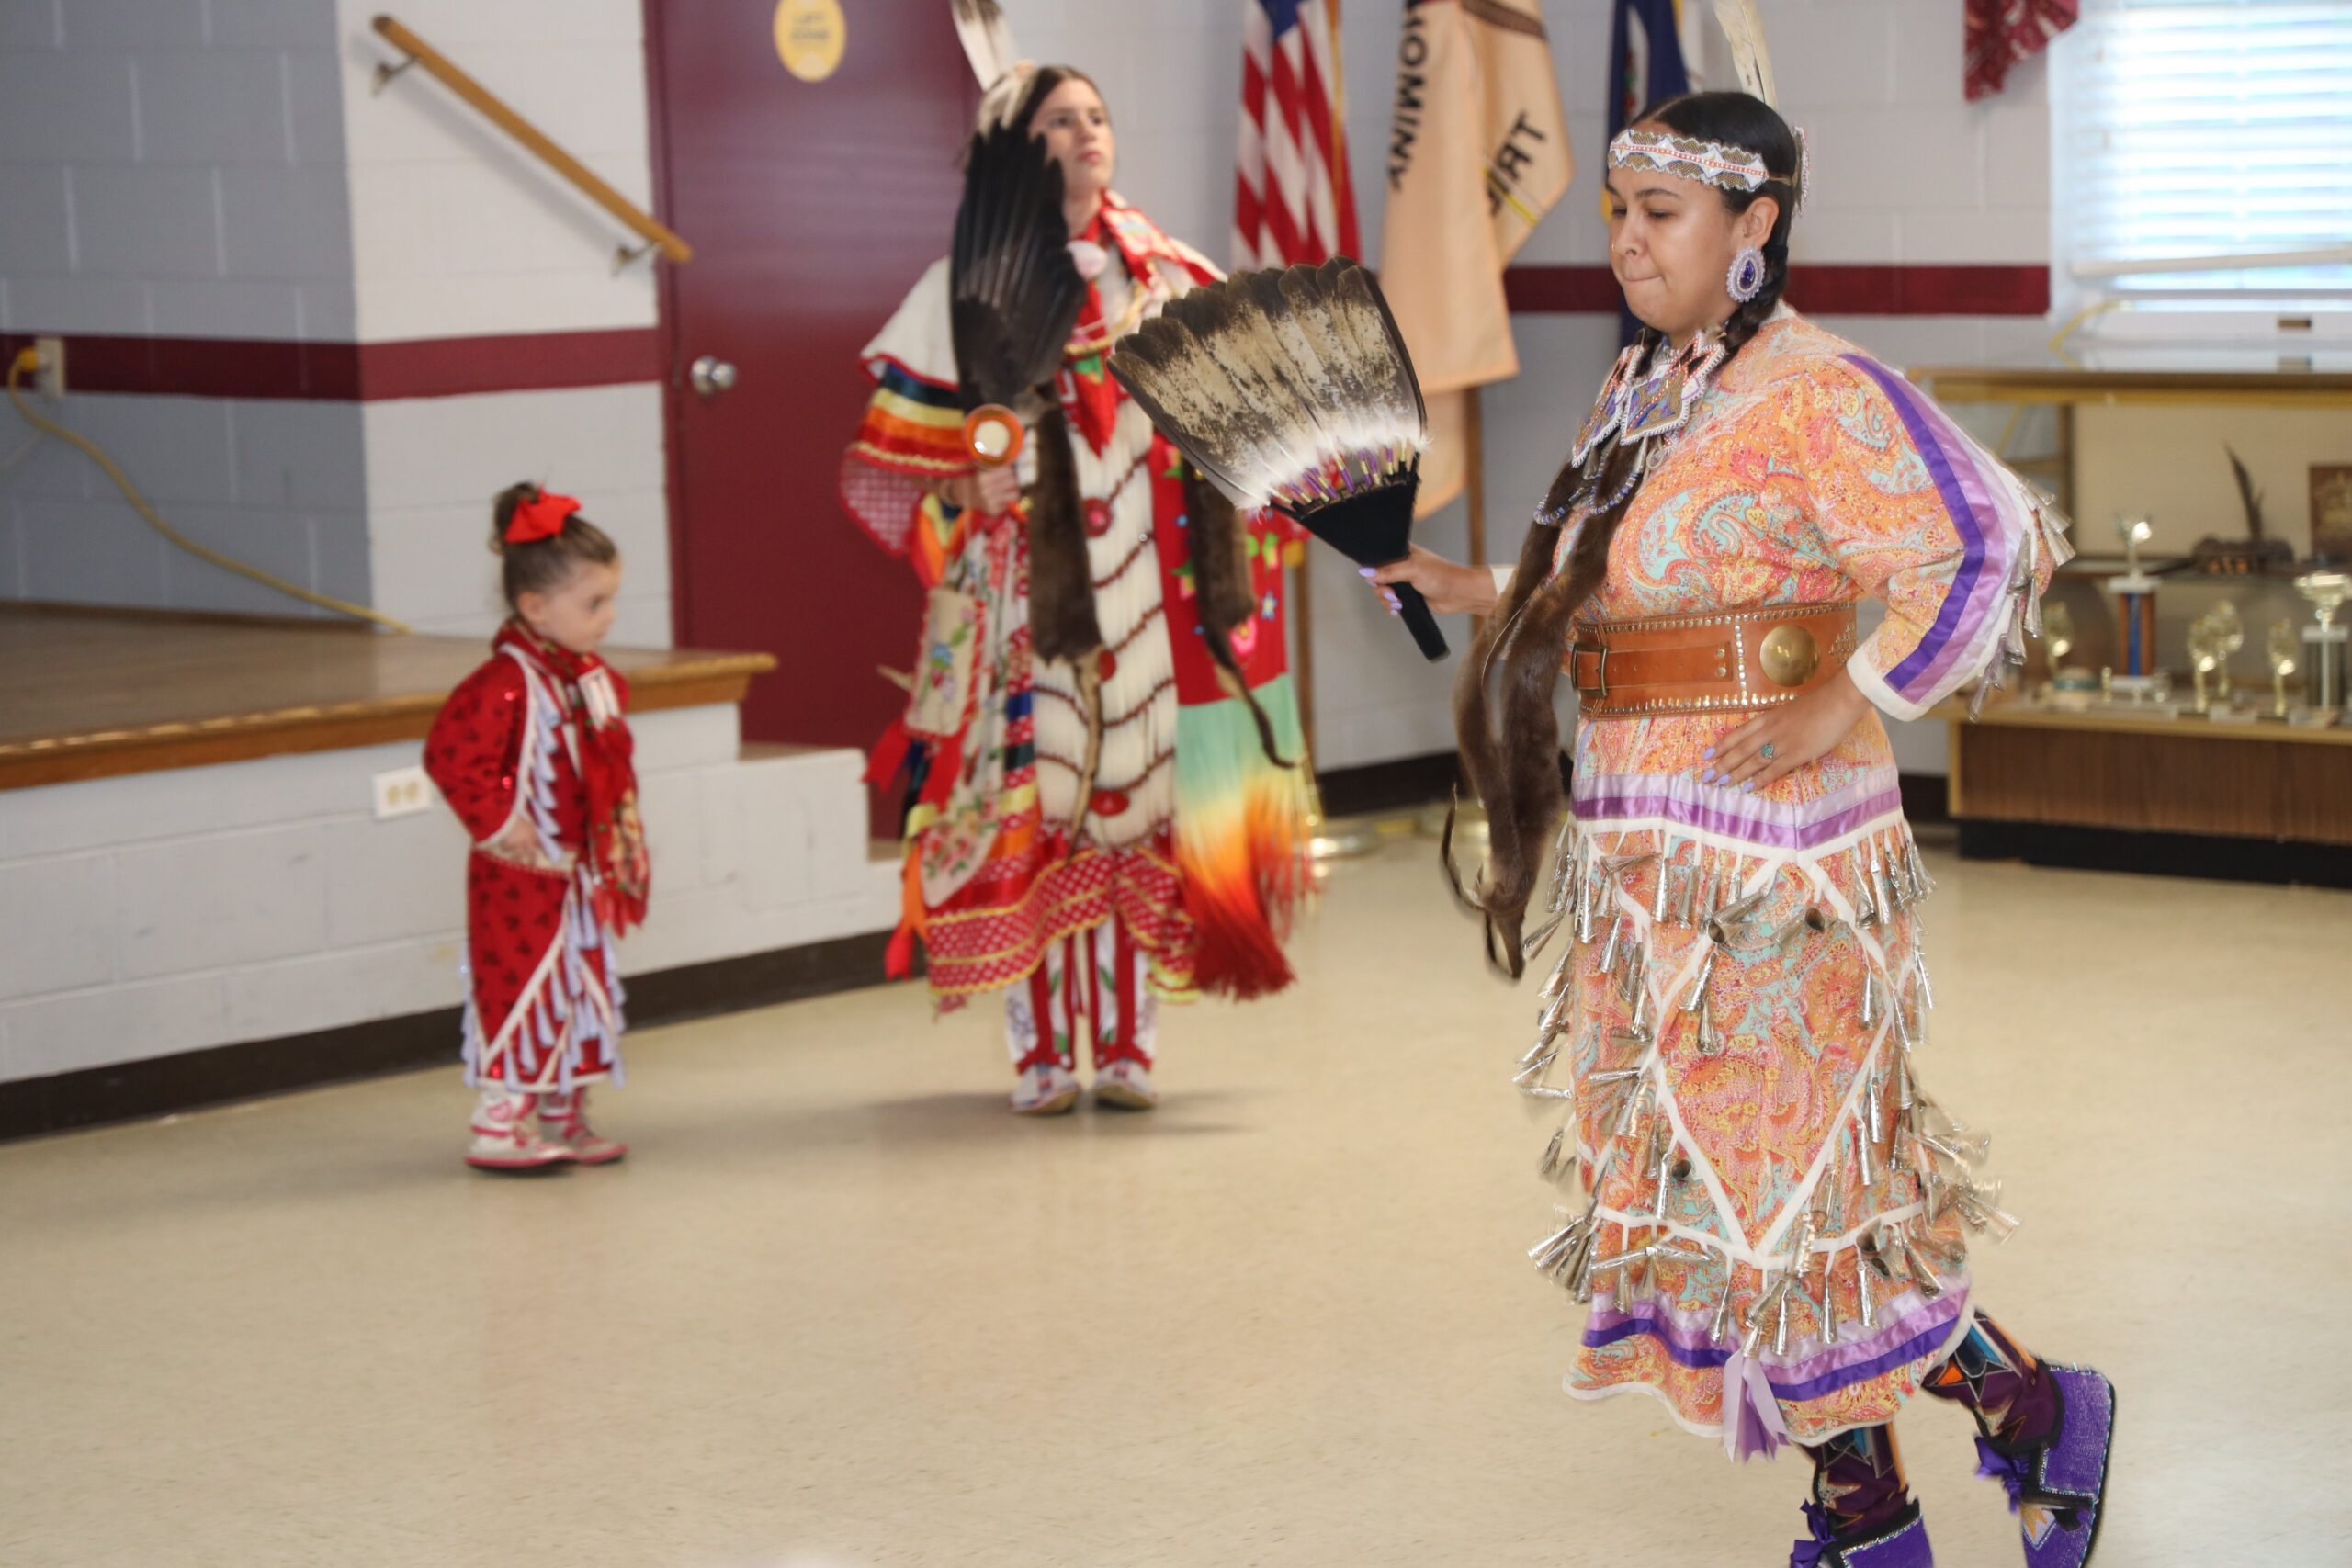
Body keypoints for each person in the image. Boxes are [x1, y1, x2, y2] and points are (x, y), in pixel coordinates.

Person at [1378, 95, 2114, 1567]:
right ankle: (2028, 1416)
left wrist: (1854, 694)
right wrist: (1480, 590)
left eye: (1661, 212)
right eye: (1617, 210)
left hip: (1780, 867)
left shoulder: (1820, 392)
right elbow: (1620, 583)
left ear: (1755, 225)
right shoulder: (1652, 387)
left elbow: (1989, 541)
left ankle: (1877, 1518)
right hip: (1650, 849)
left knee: (1791, 1198)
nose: (1626, 241)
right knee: (1744, 1202)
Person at [841, 66, 1309, 1117]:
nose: (1087, 132)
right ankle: (1040, 1052)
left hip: (1151, 579)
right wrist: (971, 477)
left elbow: (1254, 437)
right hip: (1025, 601)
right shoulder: (959, 292)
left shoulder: (1169, 276)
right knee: (1044, 800)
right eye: (1059, 120)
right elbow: (891, 465)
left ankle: (1130, 1047)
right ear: (1013, 146)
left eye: (1096, 115)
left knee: (1141, 798)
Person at [424, 483, 648, 1172]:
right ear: (535, 607)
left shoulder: (580, 678)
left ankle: (562, 1112)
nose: (608, 617)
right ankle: (500, 1121)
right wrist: (497, 819)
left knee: (581, 988)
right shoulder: (505, 683)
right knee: (523, 988)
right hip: (519, 878)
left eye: (609, 599)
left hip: (575, 874)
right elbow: (450, 755)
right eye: (594, 603)